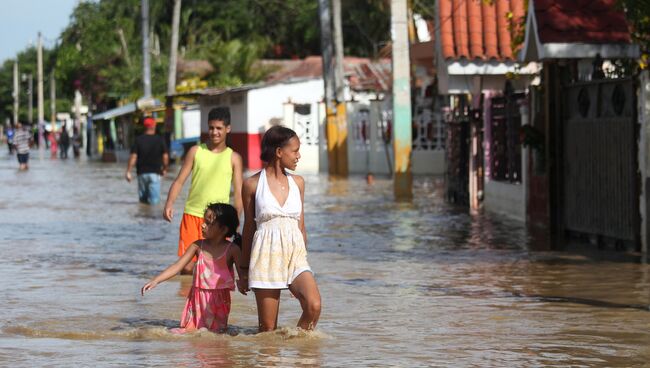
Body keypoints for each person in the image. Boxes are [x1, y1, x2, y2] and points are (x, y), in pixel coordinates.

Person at [240, 125, 321, 332]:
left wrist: (304, 259)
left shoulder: (299, 183)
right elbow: (248, 228)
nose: (298, 156)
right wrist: (242, 271)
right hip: (265, 256)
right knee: (268, 331)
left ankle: (300, 354)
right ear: (278, 152)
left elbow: (301, 226)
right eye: (294, 151)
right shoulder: (252, 184)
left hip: (295, 256)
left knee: (313, 306)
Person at [142, 203, 247, 333]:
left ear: (223, 229)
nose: (202, 225)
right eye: (204, 221)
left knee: (216, 334)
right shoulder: (197, 246)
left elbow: (242, 271)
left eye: (208, 223)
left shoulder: (232, 249)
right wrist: (156, 280)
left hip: (220, 301)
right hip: (196, 297)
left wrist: (243, 282)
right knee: (190, 330)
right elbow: (177, 266)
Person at [163, 107, 243, 274]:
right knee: (187, 266)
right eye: (211, 127)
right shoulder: (196, 151)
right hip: (192, 214)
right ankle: (185, 298)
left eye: (219, 128)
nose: (214, 132)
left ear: (228, 129)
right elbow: (179, 181)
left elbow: (239, 194)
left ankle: (212, 299)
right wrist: (169, 203)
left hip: (219, 219)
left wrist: (235, 222)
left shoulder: (234, 158)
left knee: (216, 266)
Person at [125, 117, 169, 205]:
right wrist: (165, 169)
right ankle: (150, 217)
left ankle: (142, 217)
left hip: (141, 174)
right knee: (154, 203)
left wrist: (128, 171)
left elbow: (133, 156)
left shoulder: (138, 140)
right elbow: (165, 157)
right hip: (155, 174)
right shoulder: (159, 140)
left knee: (142, 202)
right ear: (154, 126)